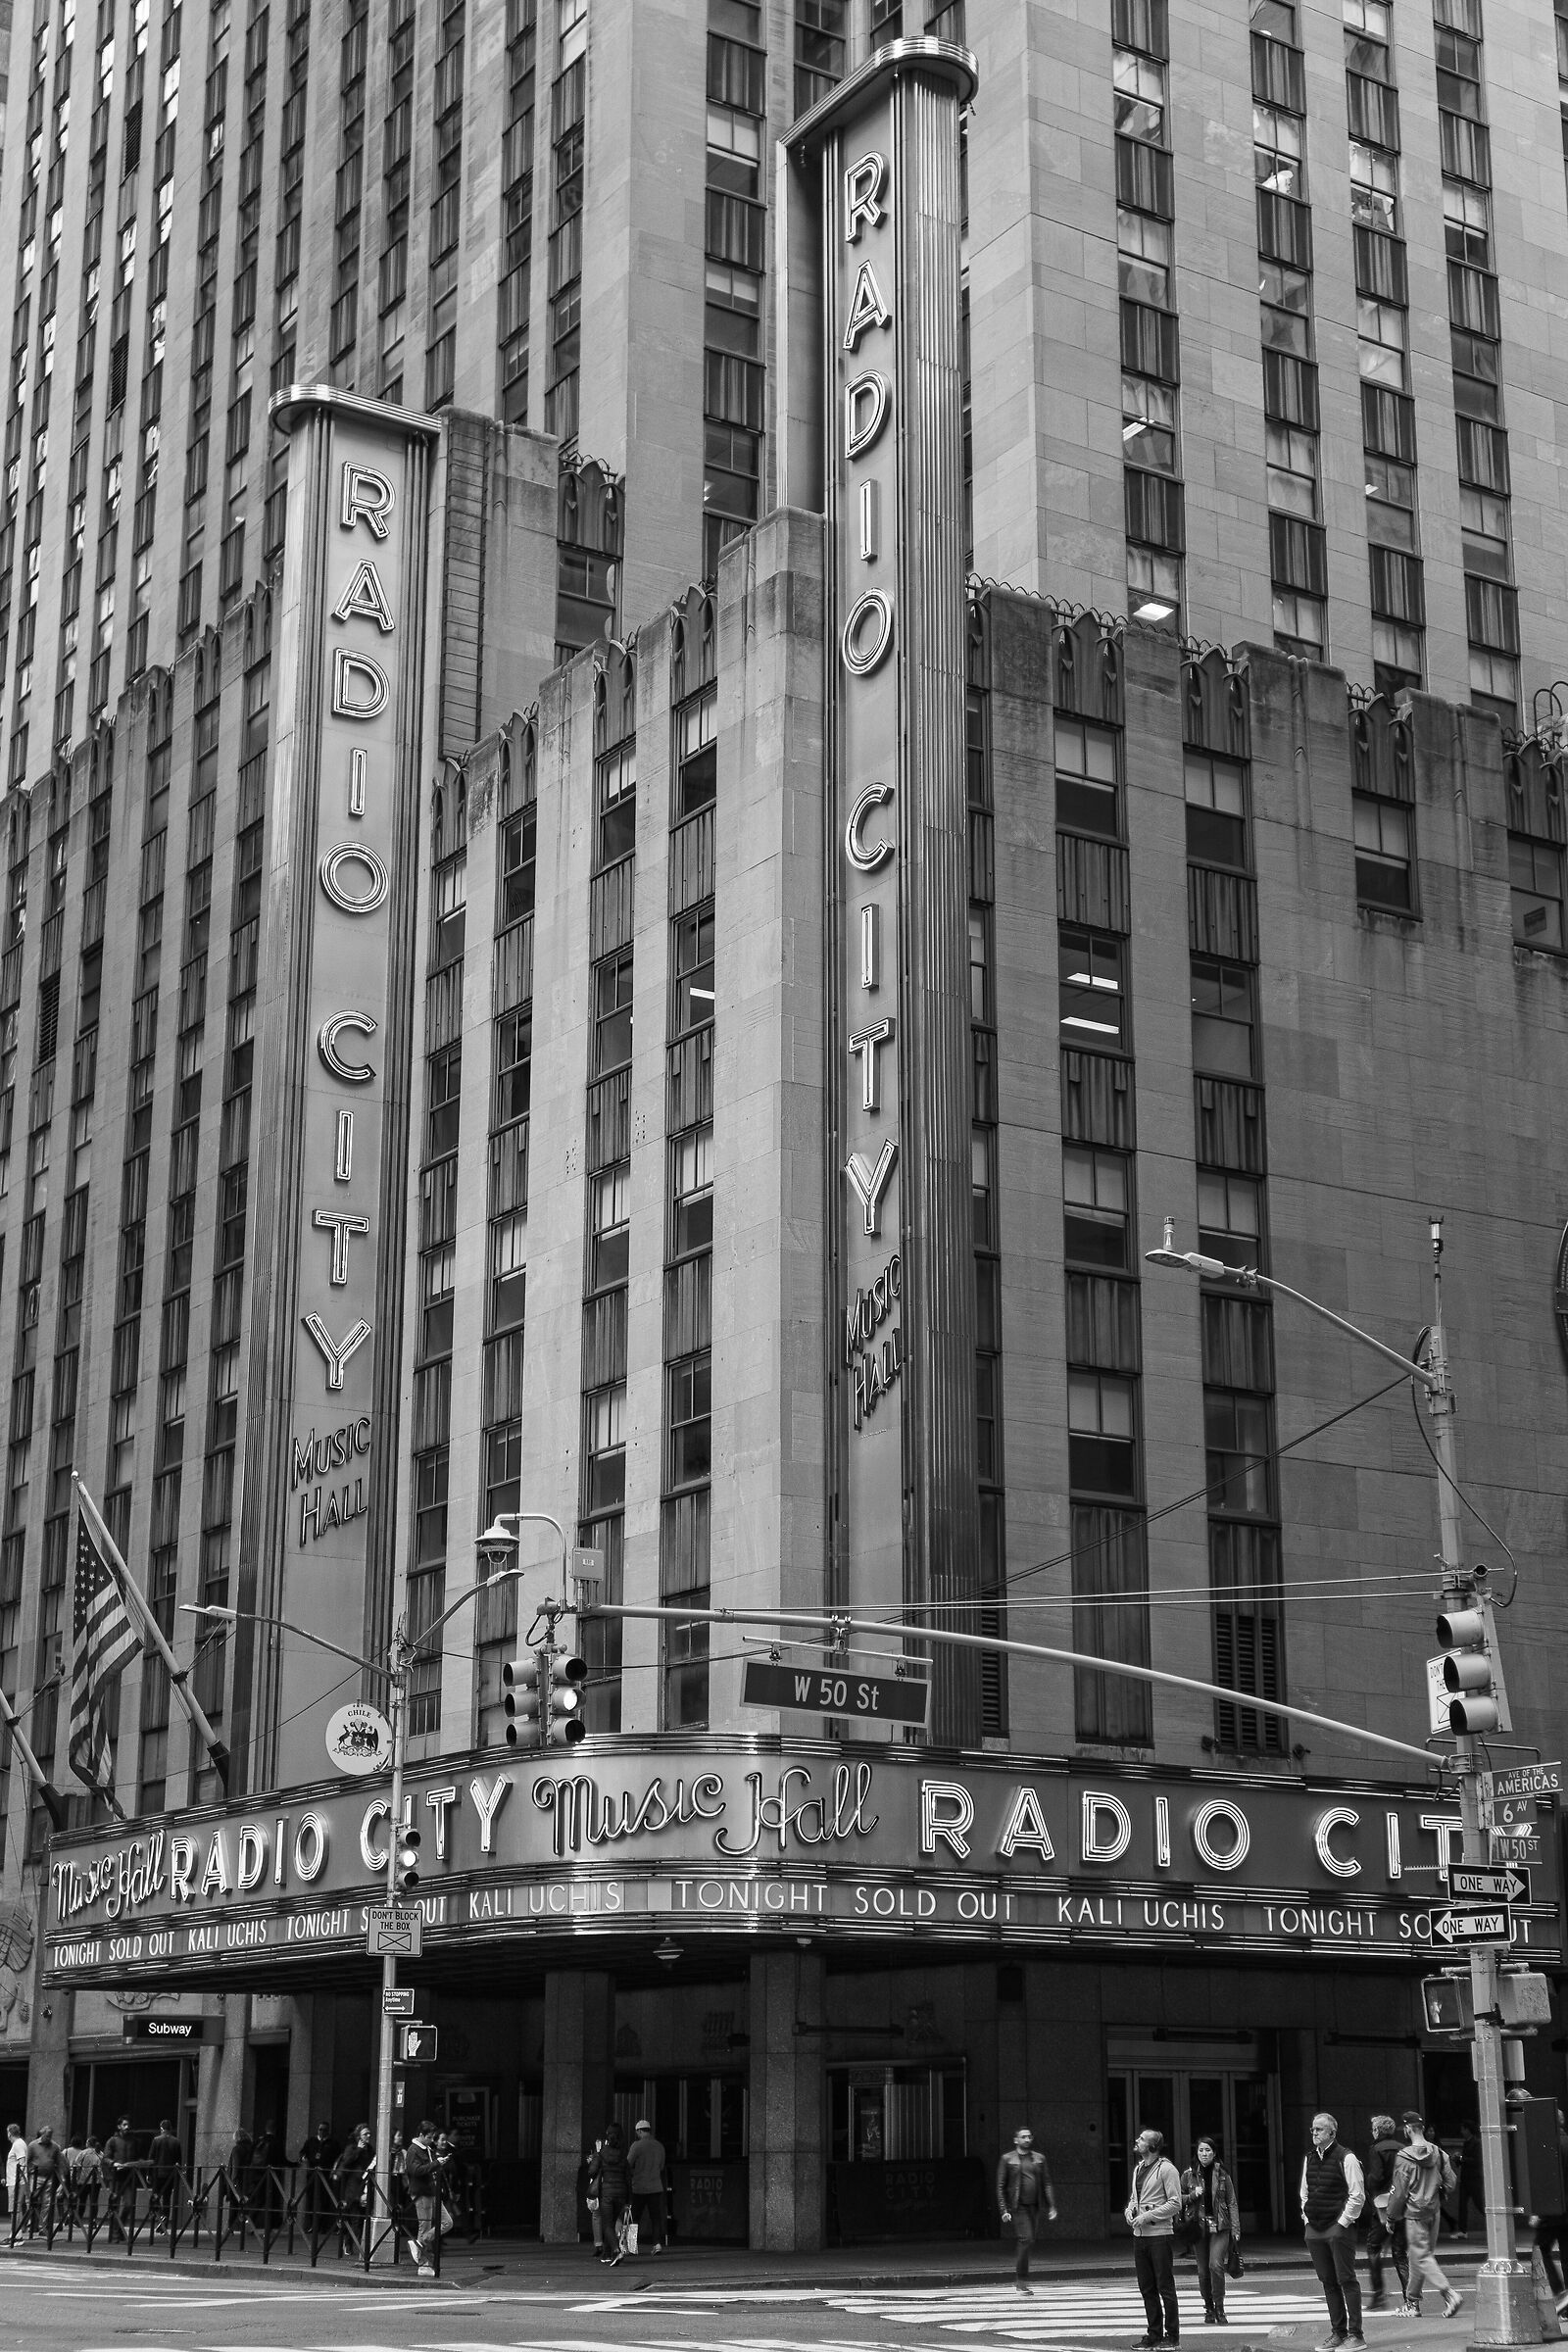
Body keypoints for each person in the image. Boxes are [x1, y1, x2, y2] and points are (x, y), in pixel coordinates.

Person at [1298, 2111, 1365, 2352]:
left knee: (1346, 2278)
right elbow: (1304, 2192)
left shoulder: (1346, 2158)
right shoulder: (1309, 2158)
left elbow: (1357, 2195)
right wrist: (1306, 2217)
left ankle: (1356, 2335)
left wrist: (1342, 2223)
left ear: (1332, 2133)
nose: (1314, 2133)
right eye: (1313, 2129)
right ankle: (1338, 2333)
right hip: (1315, 2227)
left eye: (1319, 2129)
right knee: (1328, 2281)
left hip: (1337, 2228)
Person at [1388, 2115, 1461, 2321]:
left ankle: (1449, 2293)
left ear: (1408, 2129)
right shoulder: (1438, 2152)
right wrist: (1441, 2194)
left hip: (1414, 2213)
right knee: (1418, 2256)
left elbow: (1399, 2192)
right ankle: (1412, 2303)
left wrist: (1391, 2217)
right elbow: (1451, 2181)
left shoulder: (1404, 2157)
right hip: (1434, 2211)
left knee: (1421, 2256)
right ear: (1421, 2128)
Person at [1126, 2125, 1184, 2348]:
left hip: (1160, 2235)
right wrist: (1129, 2211)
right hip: (1139, 2235)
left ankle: (1173, 2336)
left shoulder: (1167, 2169)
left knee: (1165, 2286)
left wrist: (1147, 2215)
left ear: (1152, 2146)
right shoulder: (1138, 2168)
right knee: (1146, 2287)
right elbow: (1134, 2198)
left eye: (1141, 2139)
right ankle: (1154, 2334)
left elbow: (1175, 2203)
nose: (1137, 2141)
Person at [1181, 2135, 1240, 2325]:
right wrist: (1192, 2194)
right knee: (1202, 2270)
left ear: (1214, 2153)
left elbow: (1231, 2201)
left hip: (1220, 2226)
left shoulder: (1223, 2174)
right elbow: (1177, 2199)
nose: (1204, 2154)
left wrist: (1236, 2228)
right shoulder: (1188, 2175)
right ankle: (1208, 2307)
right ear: (1196, 2153)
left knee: (1216, 2265)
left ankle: (1220, 2306)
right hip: (1198, 2227)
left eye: (1207, 2150)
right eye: (1200, 2150)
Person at [996, 2126, 1057, 2296]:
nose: (1027, 2139)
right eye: (1023, 2137)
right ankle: (1021, 2283)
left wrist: (1051, 2205)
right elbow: (1000, 2186)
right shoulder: (1008, 2159)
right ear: (1016, 2140)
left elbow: (1046, 2182)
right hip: (1018, 2206)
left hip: (1034, 2206)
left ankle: (1021, 2282)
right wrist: (1003, 2210)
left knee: (1029, 2241)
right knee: (1026, 2238)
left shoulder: (1039, 2159)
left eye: (1029, 2136)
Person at [1363, 2113, 1409, 2310]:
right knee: (1400, 2252)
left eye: (1373, 2129)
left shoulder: (1376, 2149)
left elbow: (1376, 2176)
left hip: (1382, 2205)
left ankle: (1378, 2294)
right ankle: (1410, 2298)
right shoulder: (1402, 2149)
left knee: (1373, 2246)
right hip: (1403, 2204)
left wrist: (1367, 2183)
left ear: (1377, 2131)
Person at [1532, 2108, 1568, 2300]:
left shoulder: (1547, 2148)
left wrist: (1538, 2212)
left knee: (1541, 2248)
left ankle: (1559, 2291)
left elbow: (1544, 2182)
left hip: (1552, 2211)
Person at [331, 2124, 374, 2259]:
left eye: (369, 2134)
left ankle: (354, 2244)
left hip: (365, 2185)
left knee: (360, 2218)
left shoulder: (370, 2149)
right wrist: (359, 2151)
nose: (368, 2136)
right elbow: (347, 2161)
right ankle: (349, 2244)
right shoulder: (352, 2148)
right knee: (354, 2218)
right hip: (353, 2187)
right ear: (358, 2137)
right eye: (365, 2134)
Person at [402, 2119, 439, 2277]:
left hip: (430, 2190)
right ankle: (423, 2264)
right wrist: (436, 2164)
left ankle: (418, 2244)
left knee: (446, 2222)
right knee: (424, 2226)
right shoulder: (413, 2149)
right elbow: (414, 2170)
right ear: (422, 2135)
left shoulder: (426, 2149)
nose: (432, 2141)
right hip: (421, 2192)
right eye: (430, 2137)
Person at [590, 2123, 631, 2264]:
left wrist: (595, 2157)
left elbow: (592, 2171)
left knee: (607, 2224)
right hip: (621, 2193)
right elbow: (628, 2177)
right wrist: (629, 2199)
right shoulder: (623, 2153)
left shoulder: (602, 2153)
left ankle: (616, 2251)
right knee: (613, 2222)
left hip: (607, 2193)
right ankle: (607, 2254)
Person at [628, 2117, 667, 2255]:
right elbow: (661, 2167)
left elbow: (628, 2164)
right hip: (656, 2187)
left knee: (635, 2218)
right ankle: (657, 2244)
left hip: (638, 2188)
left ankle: (632, 2246)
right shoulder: (659, 2146)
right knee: (656, 2218)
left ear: (639, 2131)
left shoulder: (636, 2146)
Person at [300, 2120, 341, 2237]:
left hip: (326, 2175)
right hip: (312, 2174)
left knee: (325, 2201)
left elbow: (338, 2158)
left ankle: (323, 2226)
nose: (322, 2132)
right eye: (320, 2129)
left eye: (324, 2130)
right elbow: (303, 2152)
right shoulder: (311, 2141)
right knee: (311, 2200)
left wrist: (333, 2170)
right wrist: (303, 2158)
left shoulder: (333, 2143)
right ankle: (311, 2225)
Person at [24, 2123, 63, 2238]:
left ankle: (43, 2227)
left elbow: (60, 2163)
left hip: (49, 2177)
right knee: (32, 2200)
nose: (48, 2139)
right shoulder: (32, 2145)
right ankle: (31, 2224)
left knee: (47, 2202)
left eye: (50, 2136)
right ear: (42, 2135)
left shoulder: (55, 2147)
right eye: (47, 2136)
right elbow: (26, 2161)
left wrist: (62, 2180)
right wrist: (26, 2175)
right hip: (35, 2176)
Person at [103, 2115, 136, 2241]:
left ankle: (118, 2228)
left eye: (128, 2125)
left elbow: (136, 2156)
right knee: (114, 2205)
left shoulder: (133, 2140)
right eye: (124, 2125)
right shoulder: (112, 2140)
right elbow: (105, 2158)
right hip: (116, 2176)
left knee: (129, 2204)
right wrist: (113, 2163)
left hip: (129, 2175)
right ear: (119, 2126)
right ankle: (115, 2232)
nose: (127, 2127)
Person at [148, 2116, 182, 2236]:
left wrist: (149, 2174)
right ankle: (165, 2222)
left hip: (158, 2173)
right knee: (167, 2198)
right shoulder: (176, 2141)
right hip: (170, 2174)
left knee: (155, 2198)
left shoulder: (156, 2140)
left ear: (161, 2128)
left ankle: (161, 2215)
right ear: (170, 2129)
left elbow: (152, 2158)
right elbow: (179, 2160)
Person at [1453, 2120, 1485, 2235]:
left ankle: (1493, 2221)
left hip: (1474, 2179)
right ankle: (1462, 2230)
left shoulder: (1476, 2143)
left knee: (1479, 2203)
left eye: (1463, 2129)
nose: (1461, 2131)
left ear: (1467, 2129)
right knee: (1462, 2204)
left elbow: (1476, 2160)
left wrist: (1461, 2158)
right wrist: (1458, 2159)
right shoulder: (1467, 2142)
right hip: (1466, 2178)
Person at [4, 2122, 24, 2230]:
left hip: (15, 2181)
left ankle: (16, 2235)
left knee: (15, 2208)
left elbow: (22, 2162)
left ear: (9, 2133)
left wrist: (18, 2180)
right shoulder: (19, 2143)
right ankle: (16, 2234)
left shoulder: (17, 2144)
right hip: (16, 2181)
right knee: (16, 2208)